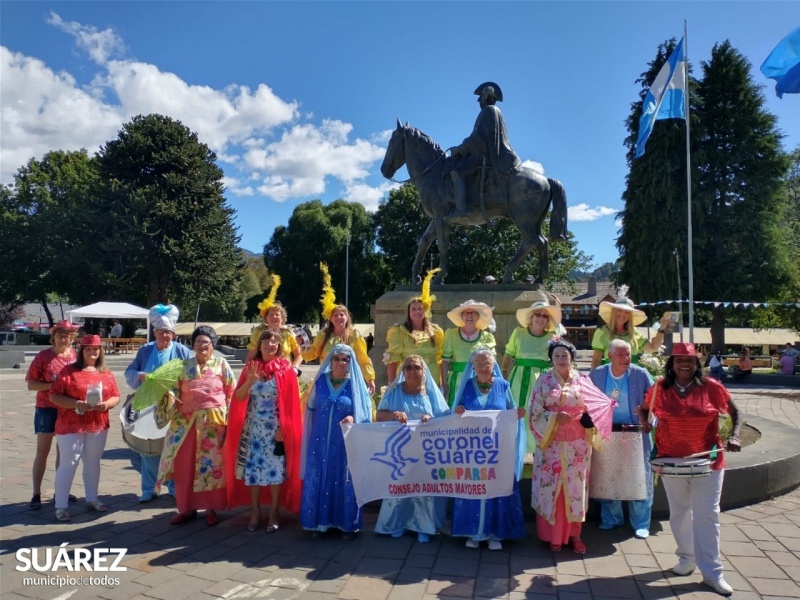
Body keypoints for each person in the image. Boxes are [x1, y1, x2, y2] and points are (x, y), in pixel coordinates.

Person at [639, 342, 742, 596]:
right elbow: (644, 411)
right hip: (671, 461)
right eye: (679, 361)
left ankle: (713, 573)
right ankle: (686, 559)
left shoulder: (711, 388)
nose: (684, 365)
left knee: (707, 515)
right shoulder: (659, 389)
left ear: (697, 364)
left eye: (690, 361)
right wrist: (644, 423)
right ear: (672, 364)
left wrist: (735, 437)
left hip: (708, 462)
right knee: (679, 513)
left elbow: (735, 411)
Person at [530, 338, 614, 555]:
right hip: (551, 443)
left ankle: (574, 535)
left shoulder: (583, 380)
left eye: (565, 356)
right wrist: (555, 417)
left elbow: (594, 405)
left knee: (575, 490)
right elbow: (534, 413)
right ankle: (553, 536)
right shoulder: (543, 381)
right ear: (551, 358)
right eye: (556, 355)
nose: (560, 359)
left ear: (572, 358)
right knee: (553, 489)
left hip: (578, 444)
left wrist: (590, 418)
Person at [157, 326, 235, 527]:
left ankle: (211, 508)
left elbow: (231, 393)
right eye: (198, 341)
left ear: (213, 345)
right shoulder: (182, 366)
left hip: (213, 422)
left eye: (206, 342)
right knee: (185, 465)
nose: (202, 345)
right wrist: (169, 395)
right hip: (185, 423)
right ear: (192, 345)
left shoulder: (221, 364)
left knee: (212, 465)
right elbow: (174, 390)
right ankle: (186, 508)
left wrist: (230, 421)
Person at [228, 329, 303, 532]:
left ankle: (274, 512)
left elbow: (290, 402)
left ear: (279, 347)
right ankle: (255, 512)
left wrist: (283, 427)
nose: (270, 345)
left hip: (275, 430)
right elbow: (240, 398)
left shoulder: (285, 368)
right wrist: (250, 381)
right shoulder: (251, 367)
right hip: (253, 429)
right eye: (266, 342)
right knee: (253, 472)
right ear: (259, 345)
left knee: (275, 471)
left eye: (275, 343)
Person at [451, 349, 526, 550]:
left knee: (497, 487)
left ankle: (496, 533)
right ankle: (475, 532)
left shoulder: (503, 385)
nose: (483, 367)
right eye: (479, 364)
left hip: (498, 449)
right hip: (472, 450)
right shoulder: (466, 385)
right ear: (473, 366)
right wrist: (458, 410)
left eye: (487, 364)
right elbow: (455, 412)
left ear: (493, 365)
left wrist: (517, 414)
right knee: (474, 486)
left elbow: (511, 410)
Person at [300, 345, 373, 539]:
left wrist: (353, 418)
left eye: (345, 359)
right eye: (337, 358)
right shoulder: (320, 382)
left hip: (345, 443)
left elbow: (365, 413)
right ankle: (318, 524)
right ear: (330, 361)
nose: (340, 362)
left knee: (343, 478)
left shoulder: (356, 386)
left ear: (351, 363)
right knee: (320, 476)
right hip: (319, 442)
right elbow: (310, 408)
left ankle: (345, 525)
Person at [375, 355, 450, 543]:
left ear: (423, 371)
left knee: (423, 489)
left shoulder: (430, 393)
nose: (412, 371)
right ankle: (397, 523)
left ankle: (423, 526)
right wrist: (394, 414)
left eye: (416, 367)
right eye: (408, 367)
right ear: (403, 371)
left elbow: (444, 419)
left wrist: (430, 419)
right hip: (399, 450)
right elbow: (379, 415)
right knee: (399, 487)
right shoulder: (394, 392)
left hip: (425, 450)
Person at [49, 334, 121, 521]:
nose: (92, 352)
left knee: (92, 461)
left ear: (100, 351)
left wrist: (107, 404)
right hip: (70, 423)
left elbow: (116, 395)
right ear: (81, 351)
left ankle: (92, 498)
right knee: (68, 462)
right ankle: (61, 506)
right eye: (88, 349)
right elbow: (54, 396)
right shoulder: (68, 371)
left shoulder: (105, 372)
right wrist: (76, 404)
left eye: (96, 349)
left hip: (97, 422)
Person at [124, 304, 191, 502]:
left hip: (175, 406)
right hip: (148, 406)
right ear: (155, 333)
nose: (164, 335)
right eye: (161, 332)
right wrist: (141, 376)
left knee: (175, 447)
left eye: (168, 332)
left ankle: (174, 486)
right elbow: (130, 372)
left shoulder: (182, 351)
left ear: (174, 334)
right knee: (149, 449)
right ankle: (149, 489)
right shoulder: (145, 350)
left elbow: (191, 376)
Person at [589, 339, 654, 538]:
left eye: (628, 354)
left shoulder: (640, 374)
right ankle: (611, 518)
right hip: (607, 433)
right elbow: (588, 399)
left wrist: (649, 418)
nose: (626, 358)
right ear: (610, 356)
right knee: (607, 475)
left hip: (635, 433)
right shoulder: (598, 374)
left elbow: (654, 401)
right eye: (620, 355)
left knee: (640, 477)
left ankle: (641, 523)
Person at [25, 320, 80, 510]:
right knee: (43, 451)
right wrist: (54, 387)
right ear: (53, 337)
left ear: (72, 338)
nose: (64, 339)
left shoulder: (75, 356)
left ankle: (61, 491)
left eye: (67, 336)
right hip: (46, 408)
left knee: (64, 453)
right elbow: (31, 384)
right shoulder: (43, 356)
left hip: (67, 408)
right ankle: (36, 494)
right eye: (60, 335)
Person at [448, 82, 521, 218]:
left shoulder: (489, 111)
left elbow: (477, 138)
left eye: (481, 97)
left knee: (457, 172)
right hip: (487, 153)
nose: (478, 101)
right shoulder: (494, 112)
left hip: (484, 156)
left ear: (487, 96)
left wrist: (459, 149)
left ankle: (461, 210)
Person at [501, 295, 561, 452]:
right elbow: (508, 355)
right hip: (520, 380)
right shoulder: (519, 333)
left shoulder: (552, 337)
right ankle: (517, 452)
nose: (541, 318)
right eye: (538, 314)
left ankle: (539, 453)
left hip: (543, 381)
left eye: (544, 316)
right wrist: (503, 377)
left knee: (541, 415)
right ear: (531, 316)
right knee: (519, 413)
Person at [385, 268, 444, 385]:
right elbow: (393, 360)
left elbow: (440, 359)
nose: (417, 312)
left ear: (425, 311)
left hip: (431, 378)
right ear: (408, 312)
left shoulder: (436, 332)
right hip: (408, 378)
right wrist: (391, 386)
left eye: (420, 309)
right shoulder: (399, 331)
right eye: (413, 309)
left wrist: (443, 383)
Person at [303, 304, 376, 395]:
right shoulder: (323, 336)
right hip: (326, 380)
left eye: (342, 315)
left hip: (350, 381)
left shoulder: (355, 336)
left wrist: (370, 379)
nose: (339, 317)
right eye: (335, 315)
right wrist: (300, 347)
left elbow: (363, 360)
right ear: (331, 318)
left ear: (347, 317)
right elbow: (311, 354)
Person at [441, 300, 496, 406]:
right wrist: (444, 383)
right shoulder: (451, 334)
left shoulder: (487, 337)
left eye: (473, 313)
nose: (469, 316)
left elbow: (492, 363)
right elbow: (445, 362)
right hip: (456, 381)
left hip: (477, 380)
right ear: (462, 316)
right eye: (466, 312)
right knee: (456, 411)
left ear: (478, 316)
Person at [590, 297, 669, 369]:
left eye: (627, 312)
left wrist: (662, 328)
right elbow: (596, 360)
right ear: (614, 312)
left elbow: (653, 348)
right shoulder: (602, 332)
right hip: (611, 379)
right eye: (620, 310)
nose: (622, 314)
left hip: (633, 378)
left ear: (629, 316)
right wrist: (592, 381)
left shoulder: (634, 333)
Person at [246, 275, 303, 371]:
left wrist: (295, 367)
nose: (274, 317)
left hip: (286, 374)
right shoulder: (258, 333)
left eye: (277, 315)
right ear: (266, 318)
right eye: (271, 315)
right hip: (263, 376)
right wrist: (247, 375)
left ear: (282, 319)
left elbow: (299, 355)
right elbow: (250, 357)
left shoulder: (289, 333)